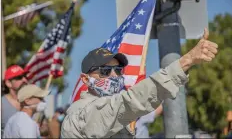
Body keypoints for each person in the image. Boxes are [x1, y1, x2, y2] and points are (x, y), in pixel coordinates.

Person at [61, 29, 218, 138]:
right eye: (105, 71)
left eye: (119, 70)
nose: (114, 75)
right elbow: (128, 102)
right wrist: (186, 61)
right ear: (85, 79)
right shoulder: (81, 113)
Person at [1, 65, 28, 133]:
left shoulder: (34, 103)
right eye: (19, 77)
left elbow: (45, 131)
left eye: (25, 76)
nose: (24, 80)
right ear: (8, 83)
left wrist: (42, 129)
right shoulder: (1, 104)